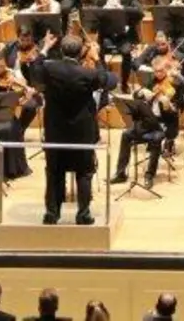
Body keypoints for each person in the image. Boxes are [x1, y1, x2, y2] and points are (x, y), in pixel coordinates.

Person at [29, 34, 115, 225]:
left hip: (55, 132)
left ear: (61, 50)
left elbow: (34, 70)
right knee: (84, 173)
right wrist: (97, 57)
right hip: (81, 133)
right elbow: (107, 80)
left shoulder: (50, 69)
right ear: (81, 52)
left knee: (53, 173)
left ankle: (52, 213)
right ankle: (83, 214)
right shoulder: (87, 74)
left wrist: (44, 48)